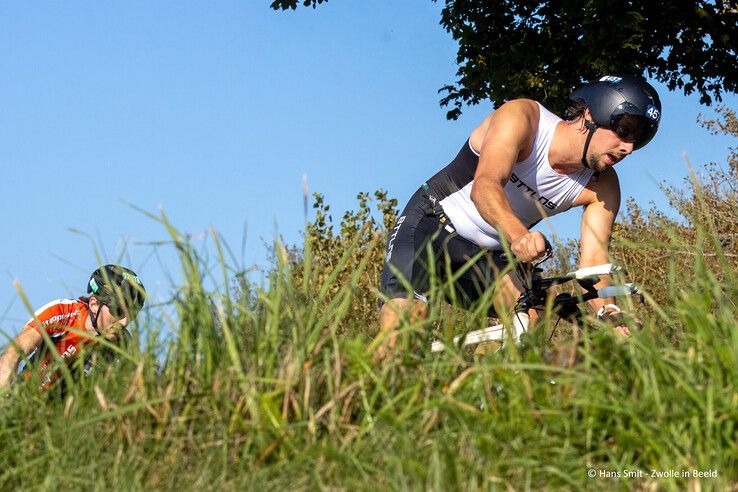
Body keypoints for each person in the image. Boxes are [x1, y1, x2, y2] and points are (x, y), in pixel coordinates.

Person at [376, 75, 661, 356]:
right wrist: (520, 236)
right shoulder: (524, 118)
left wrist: (609, 312)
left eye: (639, 139)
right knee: (405, 328)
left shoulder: (603, 186)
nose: (628, 147)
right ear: (592, 112)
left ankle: (476, 391)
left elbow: (594, 261)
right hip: (429, 225)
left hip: (486, 255)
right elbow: (485, 187)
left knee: (529, 319)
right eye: (624, 130)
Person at [0, 264, 146, 391]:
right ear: (94, 304)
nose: (124, 322)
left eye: (132, 314)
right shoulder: (63, 312)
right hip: (25, 395)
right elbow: (14, 353)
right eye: (118, 311)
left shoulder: (124, 343)